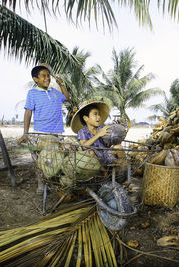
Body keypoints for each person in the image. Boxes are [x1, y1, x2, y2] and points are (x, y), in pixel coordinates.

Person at [17, 65, 70, 193]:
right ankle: (41, 184)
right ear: (35, 79)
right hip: (43, 133)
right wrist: (26, 133)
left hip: (57, 132)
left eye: (48, 76)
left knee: (58, 160)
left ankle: (55, 184)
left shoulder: (54, 92)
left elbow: (66, 98)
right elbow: (28, 113)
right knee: (41, 161)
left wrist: (61, 84)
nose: (47, 78)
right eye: (43, 76)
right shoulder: (32, 93)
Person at [70, 100, 125, 166]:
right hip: (95, 159)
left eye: (99, 114)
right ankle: (104, 171)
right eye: (95, 114)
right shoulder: (82, 132)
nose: (98, 117)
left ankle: (123, 168)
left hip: (106, 155)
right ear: (85, 118)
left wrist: (115, 135)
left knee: (118, 147)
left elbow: (108, 144)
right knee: (91, 152)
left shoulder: (102, 129)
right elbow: (84, 147)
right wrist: (98, 134)